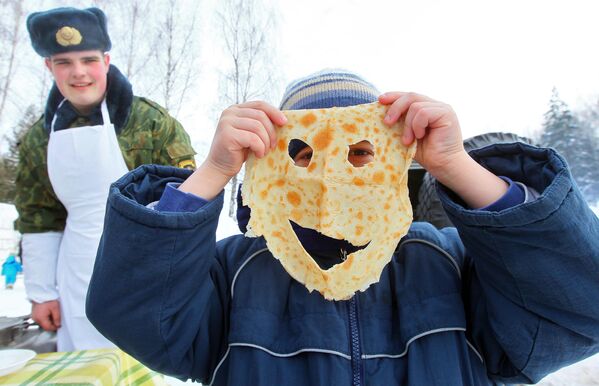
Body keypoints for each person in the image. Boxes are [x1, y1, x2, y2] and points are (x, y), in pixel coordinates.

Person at [86, 70, 599, 385]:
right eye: (303, 155)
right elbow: (134, 315)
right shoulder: (235, 273)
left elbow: (580, 307)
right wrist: (213, 173)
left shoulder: (446, 262)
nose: (332, 181)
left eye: (360, 153)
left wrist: (456, 167)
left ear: (394, 161)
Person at [14, 7, 196, 352]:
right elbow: (39, 218)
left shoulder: (150, 123)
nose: (79, 72)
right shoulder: (40, 139)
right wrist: (41, 294)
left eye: (88, 59)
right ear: (48, 66)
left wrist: (178, 281)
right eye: (64, 62)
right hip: (76, 276)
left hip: (147, 273)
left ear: (106, 60)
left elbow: (189, 201)